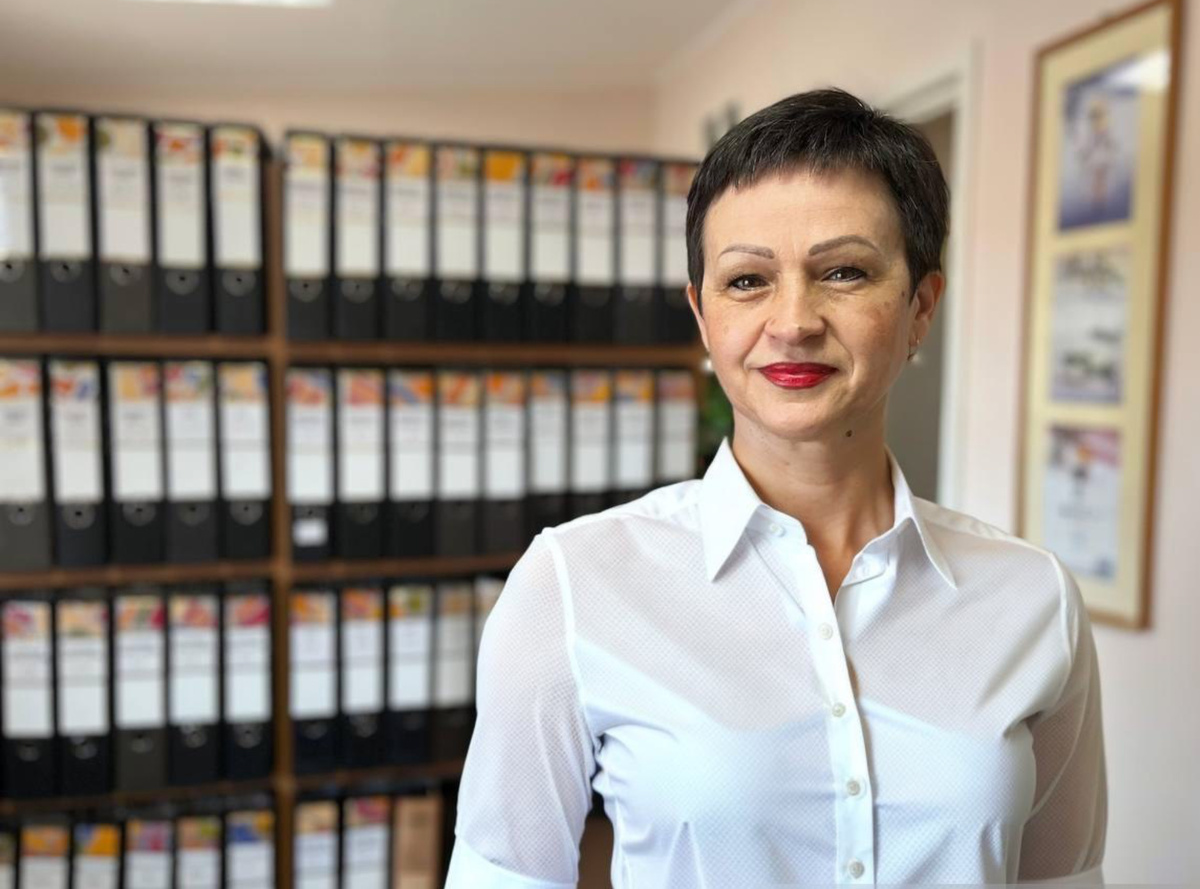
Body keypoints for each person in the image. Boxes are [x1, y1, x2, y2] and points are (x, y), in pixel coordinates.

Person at [445, 88, 1107, 887]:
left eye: (844, 271)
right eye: (747, 280)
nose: (793, 321)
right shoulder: (574, 585)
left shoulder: (1033, 597)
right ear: (703, 316)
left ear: (921, 308)